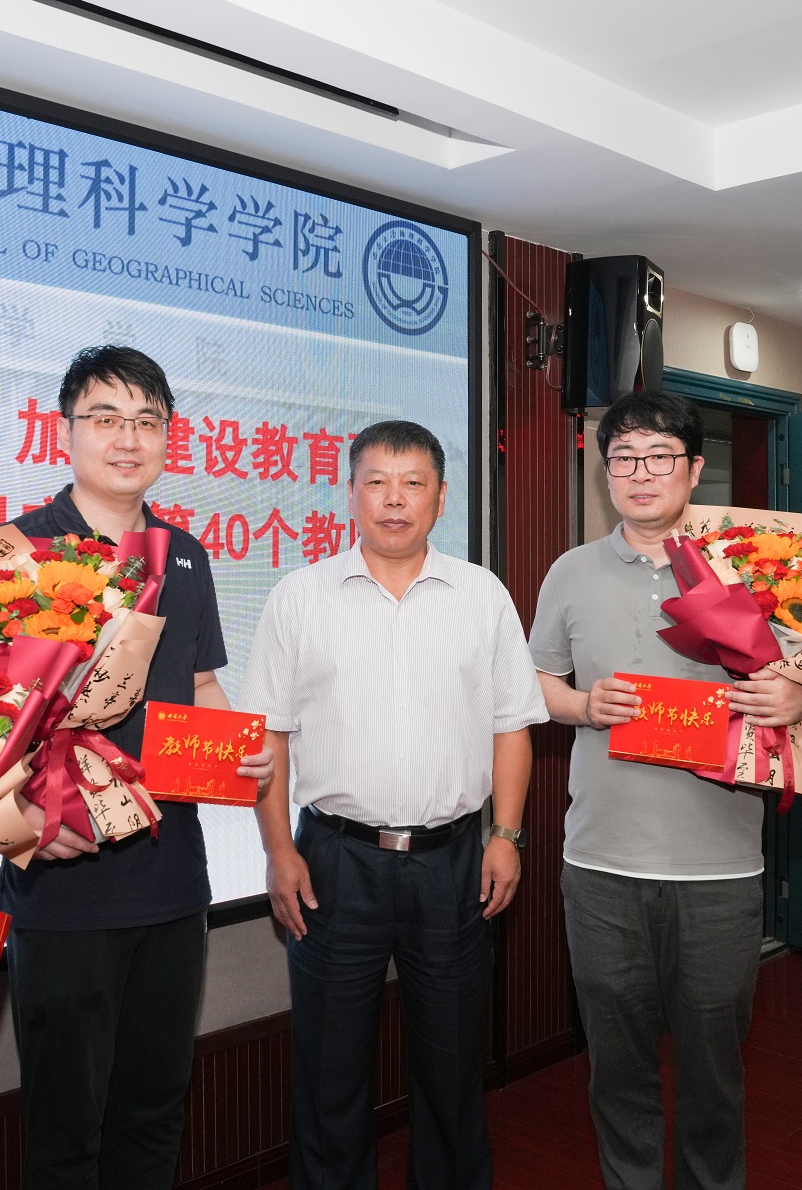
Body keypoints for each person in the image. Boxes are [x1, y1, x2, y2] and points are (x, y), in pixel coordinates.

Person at [527, 391, 802, 1190]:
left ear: (694, 470)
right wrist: (583, 705)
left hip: (719, 870)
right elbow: (535, 684)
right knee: (616, 1070)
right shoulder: (570, 572)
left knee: (713, 1074)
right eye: (623, 457)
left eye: (659, 456)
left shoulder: (750, 567)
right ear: (605, 473)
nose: (640, 472)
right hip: (601, 867)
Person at [243, 419, 547, 1190]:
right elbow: (267, 735)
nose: (394, 499)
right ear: (350, 493)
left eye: (413, 484)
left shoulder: (481, 595)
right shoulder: (300, 597)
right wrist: (278, 852)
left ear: (441, 498)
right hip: (334, 861)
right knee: (328, 1070)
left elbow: (512, 724)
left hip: (453, 862)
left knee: (452, 1066)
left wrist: (506, 834)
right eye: (376, 482)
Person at [0, 345, 273, 1190]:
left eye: (147, 421)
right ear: (64, 431)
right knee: (65, 1134)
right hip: (64, 886)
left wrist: (242, 749)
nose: (128, 439)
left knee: (154, 1113)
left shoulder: (184, 553)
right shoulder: (14, 552)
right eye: (106, 419)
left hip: (171, 882)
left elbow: (199, 684)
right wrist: (18, 824)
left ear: (166, 437)